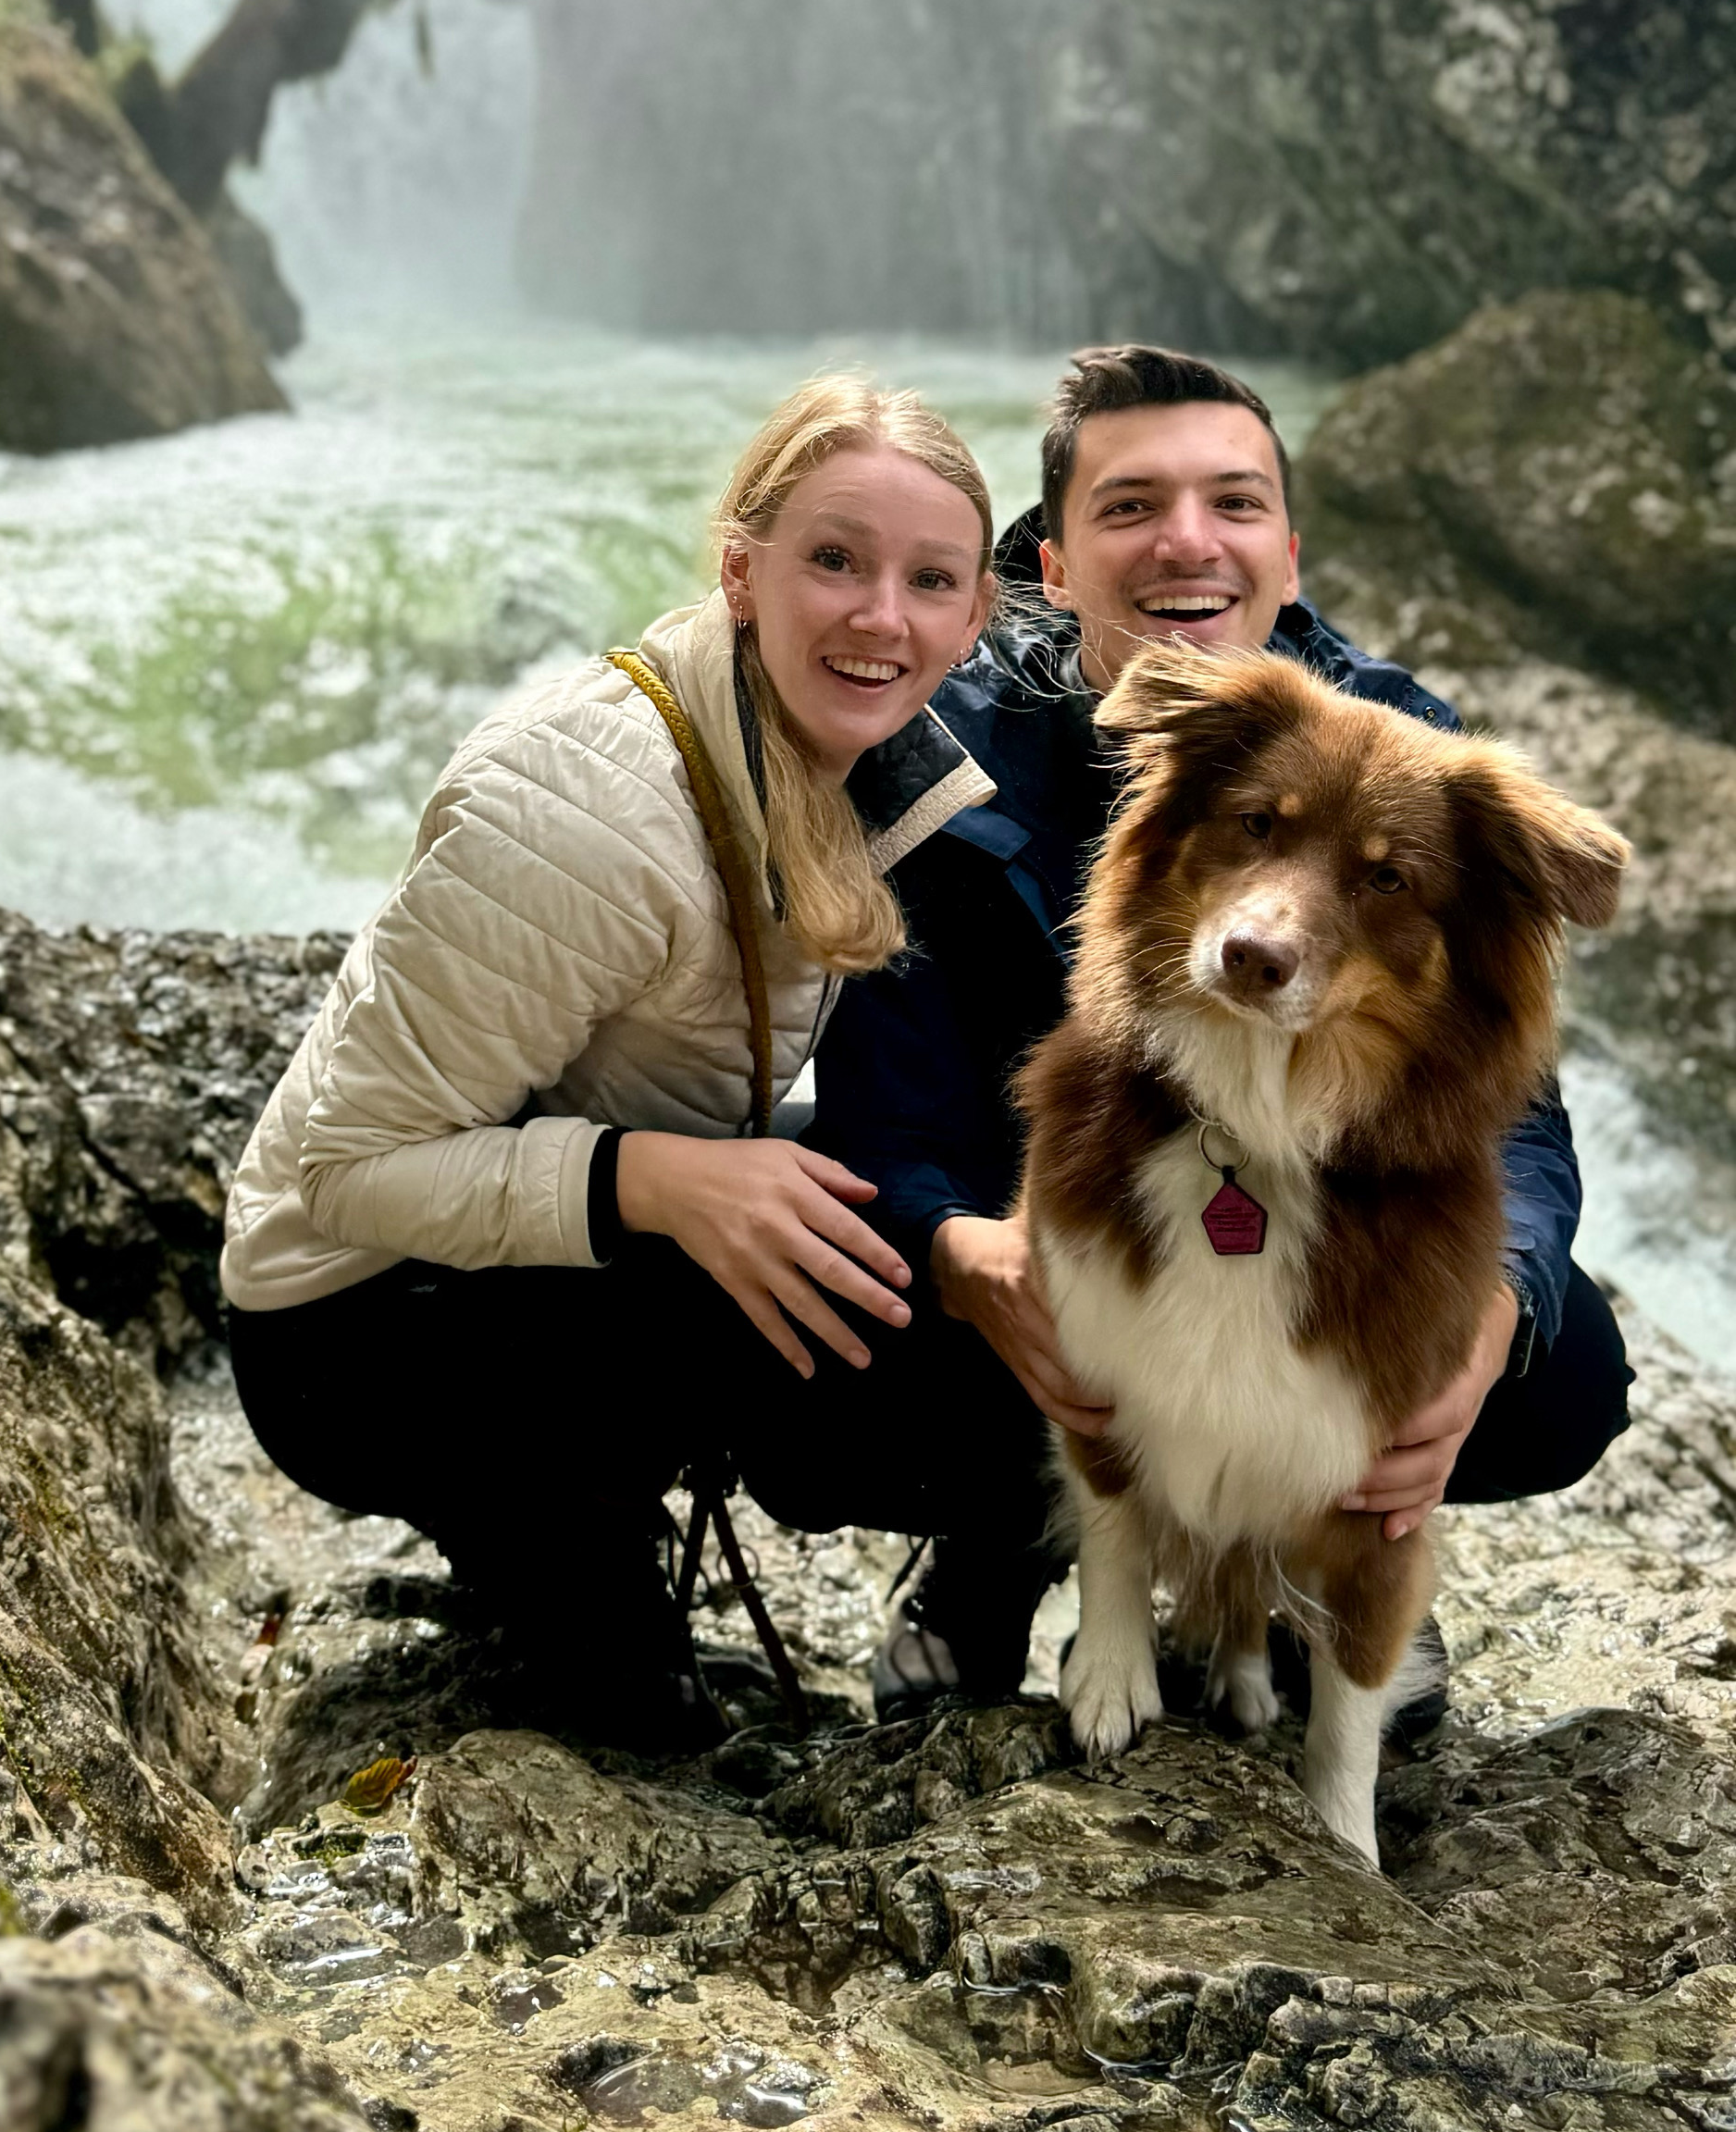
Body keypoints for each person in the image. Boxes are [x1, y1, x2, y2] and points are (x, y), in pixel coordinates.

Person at [806, 344, 1635, 1718]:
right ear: (1050, 566)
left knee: (1557, 1373)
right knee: (827, 1356)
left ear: (1289, 554)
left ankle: (1326, 1555)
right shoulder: (928, 763)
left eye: (1234, 503)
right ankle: (993, 1555)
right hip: (1050, 1250)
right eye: (1130, 506)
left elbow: (1517, 1117)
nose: (1189, 541)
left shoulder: (1412, 754)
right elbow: (878, 1109)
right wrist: (962, 1255)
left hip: (1298, 1233)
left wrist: (1498, 1310)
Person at [219, 376, 1015, 1748]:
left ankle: (596, 1513)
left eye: (928, 581)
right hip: (345, 1332)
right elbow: (347, 1174)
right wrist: (659, 1183)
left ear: (976, 617)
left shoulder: (876, 753)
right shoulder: (581, 806)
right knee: (658, 1712)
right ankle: (560, 1545)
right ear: (742, 570)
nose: (882, 616)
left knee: (952, 1244)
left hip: (556, 1246)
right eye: (833, 559)